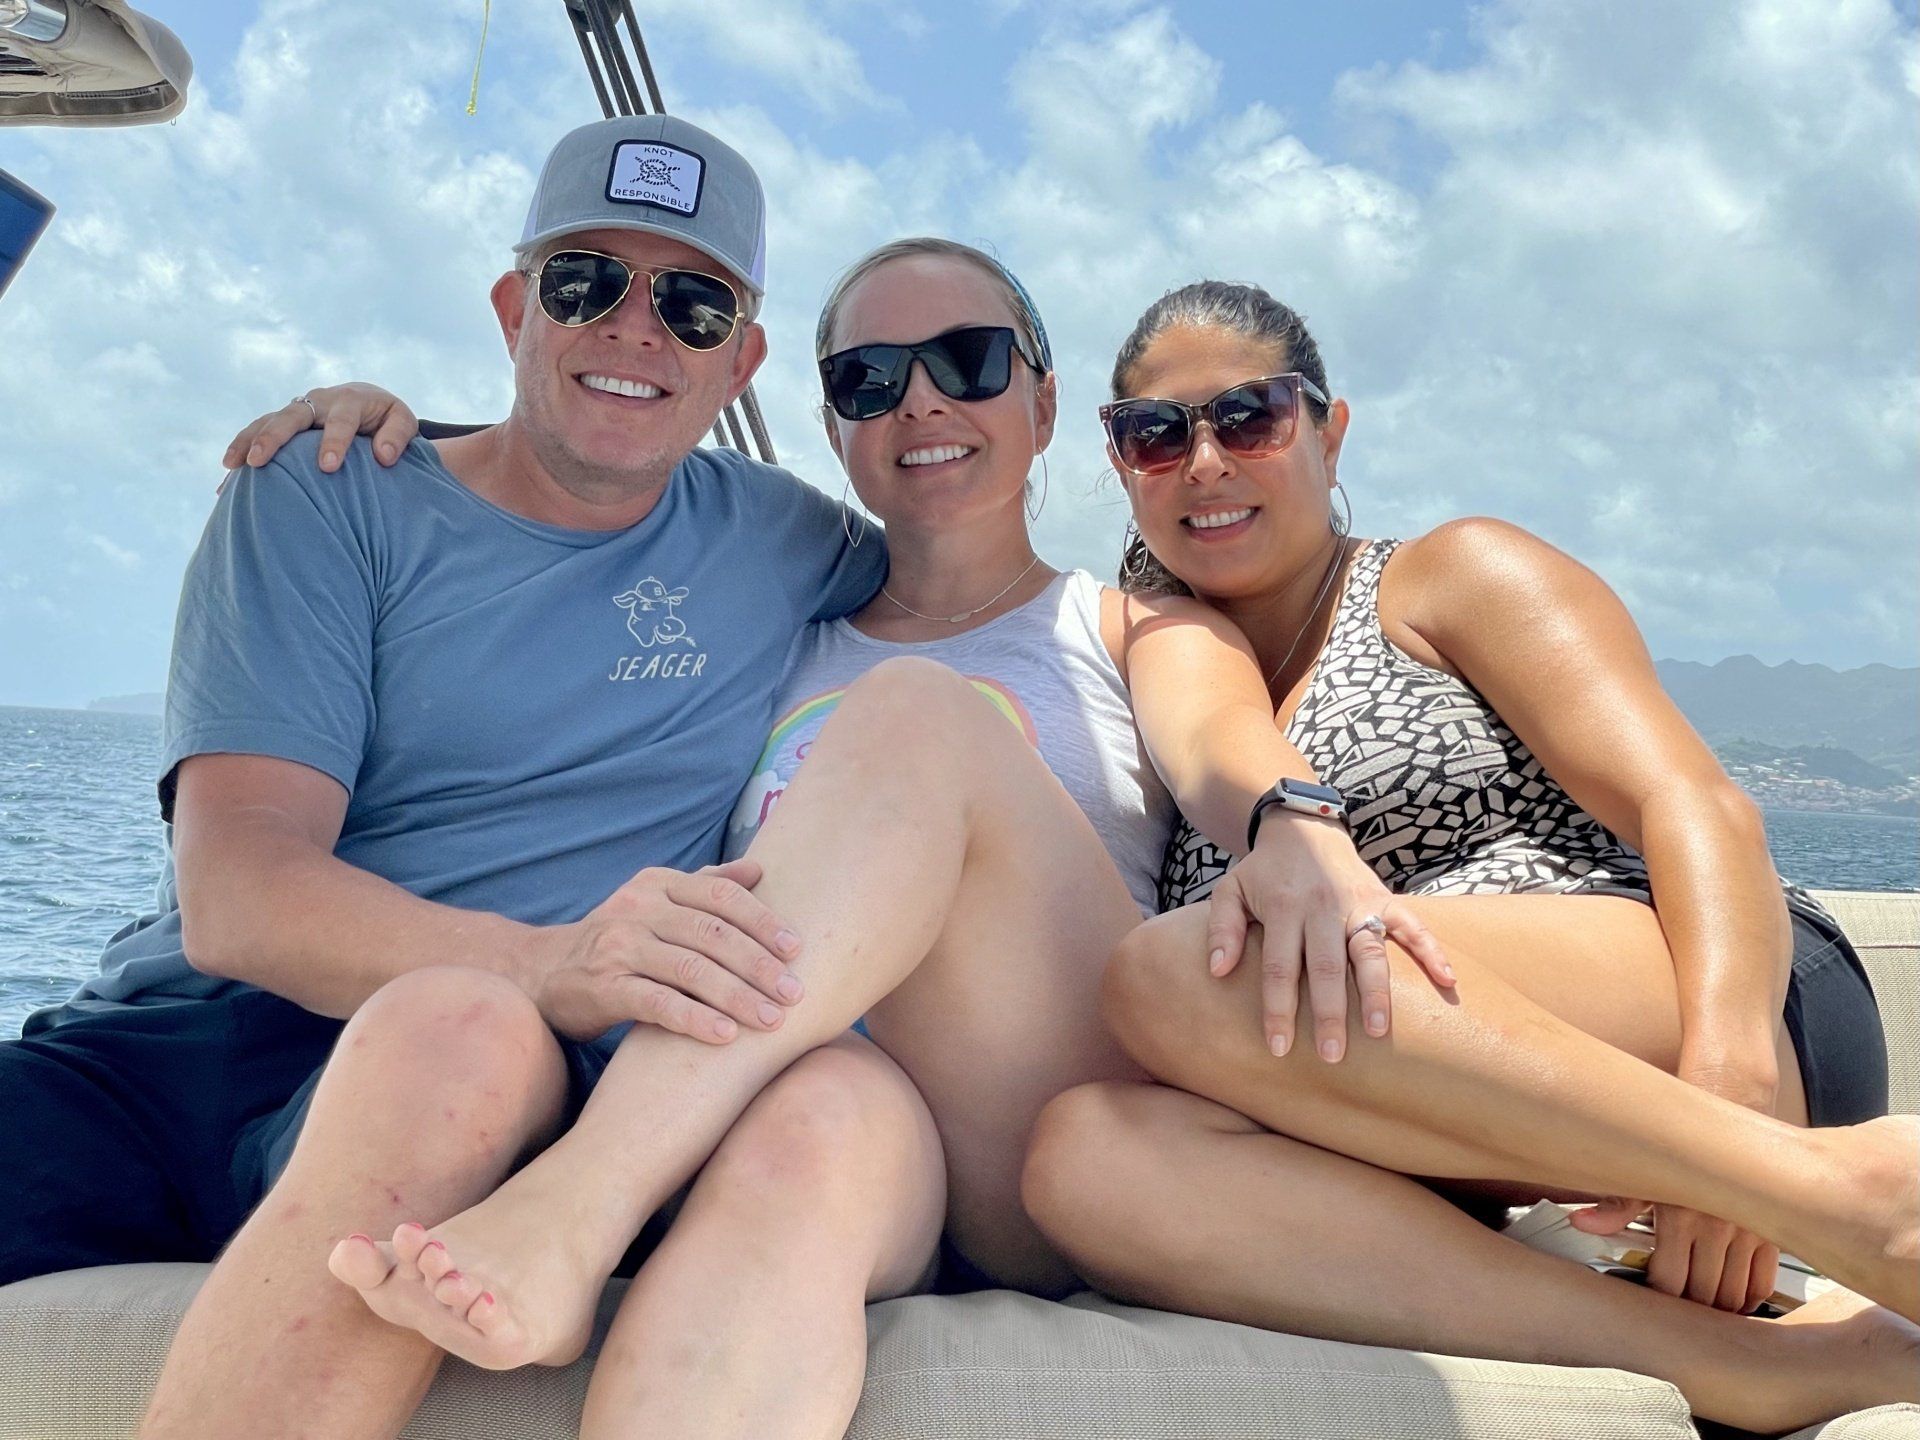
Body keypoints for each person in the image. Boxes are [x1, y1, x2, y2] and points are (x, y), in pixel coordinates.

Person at [245, 267, 1915, 1436]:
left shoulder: (1179, 622)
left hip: (1620, 990)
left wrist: (1291, 828)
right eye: (868, 380)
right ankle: (1730, 1369)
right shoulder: (775, 603)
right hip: (1159, 1107)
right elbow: (598, 479)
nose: (922, 400)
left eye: (971, 361)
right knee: (1084, 1157)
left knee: (1121, 917)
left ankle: (1837, 1192)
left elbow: (1273, 759)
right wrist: (401, 441)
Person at [2, 112, 916, 1440]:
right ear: (512, 308)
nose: (637, 329)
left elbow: (978, 579)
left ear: (743, 361)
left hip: (486, 1083)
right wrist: (553, 963)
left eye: (695, 304)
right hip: (186, 1050)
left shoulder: (781, 537)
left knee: (459, 1040)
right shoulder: (325, 491)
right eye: (586, 282)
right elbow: (240, 895)